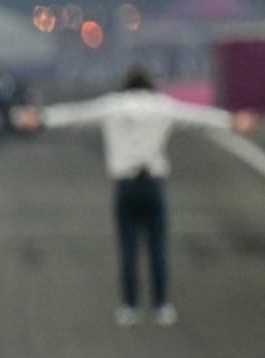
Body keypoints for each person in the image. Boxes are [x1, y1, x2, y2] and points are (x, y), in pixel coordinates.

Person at [14, 65, 258, 327]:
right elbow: (198, 117)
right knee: (157, 248)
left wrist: (41, 119)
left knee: (128, 248)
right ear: (150, 85)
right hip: (153, 184)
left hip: (125, 185)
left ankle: (129, 306)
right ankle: (162, 306)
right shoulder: (162, 106)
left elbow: (76, 114)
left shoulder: (113, 106)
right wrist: (232, 121)